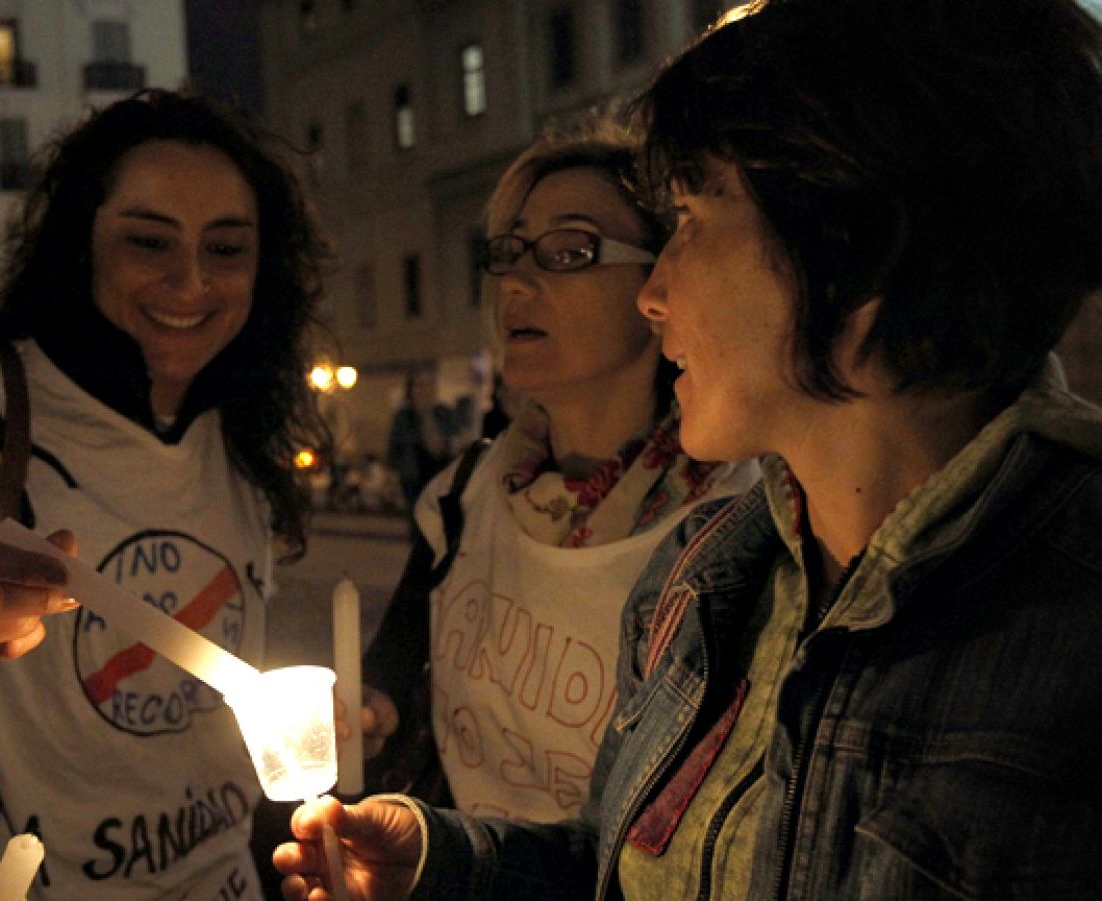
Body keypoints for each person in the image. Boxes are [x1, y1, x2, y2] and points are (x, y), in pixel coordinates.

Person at [276, 0, 1102, 896]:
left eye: (695, 223)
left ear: (852, 254)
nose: (655, 291)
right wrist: (446, 862)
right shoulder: (706, 575)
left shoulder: (1069, 630)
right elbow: (616, 861)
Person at [0, 89, 330, 899]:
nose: (191, 281)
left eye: (228, 249)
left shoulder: (240, 418)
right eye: (148, 241)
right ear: (81, 244)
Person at [356, 127, 757, 822]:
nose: (516, 280)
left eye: (570, 251)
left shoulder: (734, 521)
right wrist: (365, 709)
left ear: (662, 280)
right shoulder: (464, 494)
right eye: (507, 251)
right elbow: (387, 676)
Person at [387, 369, 462, 514]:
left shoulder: (443, 414)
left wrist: (427, 415)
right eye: (418, 385)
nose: (423, 390)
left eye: (427, 385)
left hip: (440, 483)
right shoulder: (403, 418)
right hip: (413, 484)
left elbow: (441, 448)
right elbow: (394, 454)